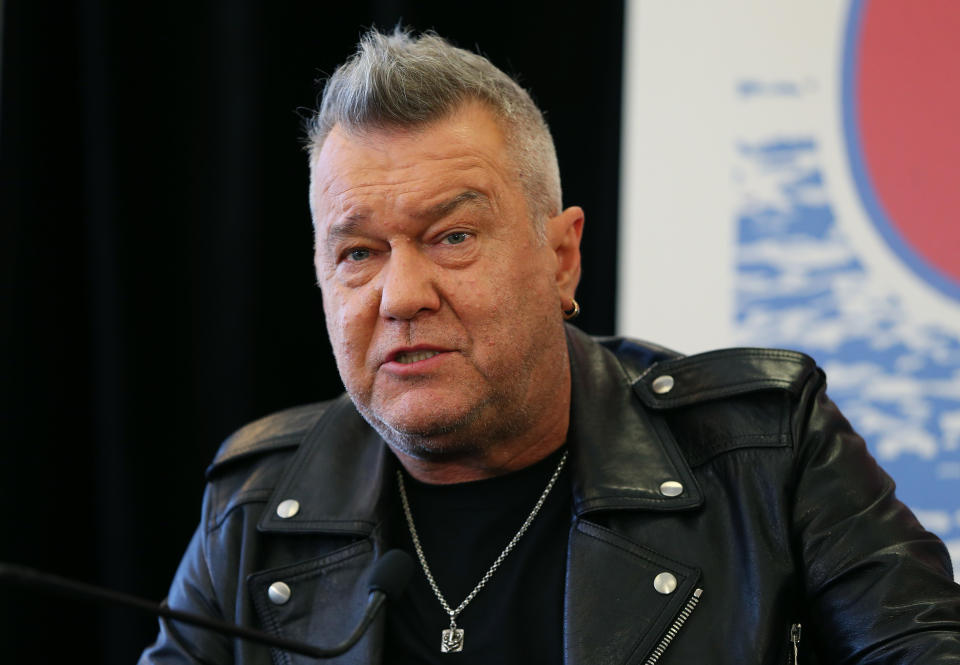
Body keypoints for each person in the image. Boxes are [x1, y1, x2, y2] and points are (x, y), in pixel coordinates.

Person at [140, 28, 960, 664]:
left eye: (453, 235)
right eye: (358, 252)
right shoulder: (258, 507)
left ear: (560, 257)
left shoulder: (767, 454)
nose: (401, 295)